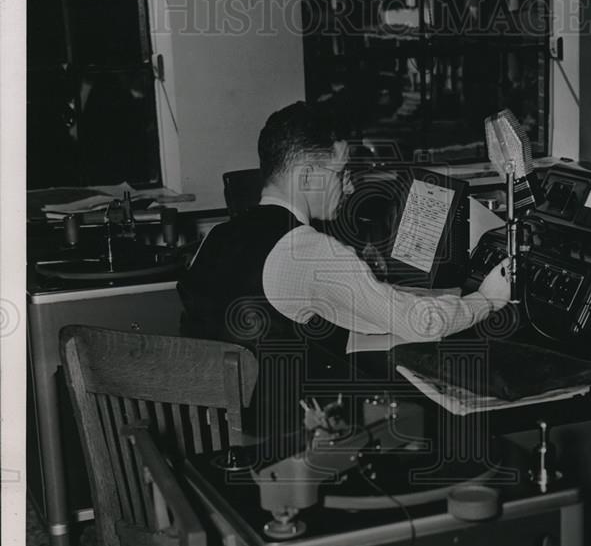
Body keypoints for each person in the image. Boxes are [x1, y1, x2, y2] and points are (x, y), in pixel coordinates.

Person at [178, 100, 512, 360]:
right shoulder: (307, 251)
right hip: (283, 433)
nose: (350, 187)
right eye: (341, 173)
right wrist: (487, 299)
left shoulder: (214, 237)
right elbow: (421, 323)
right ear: (307, 176)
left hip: (218, 425)